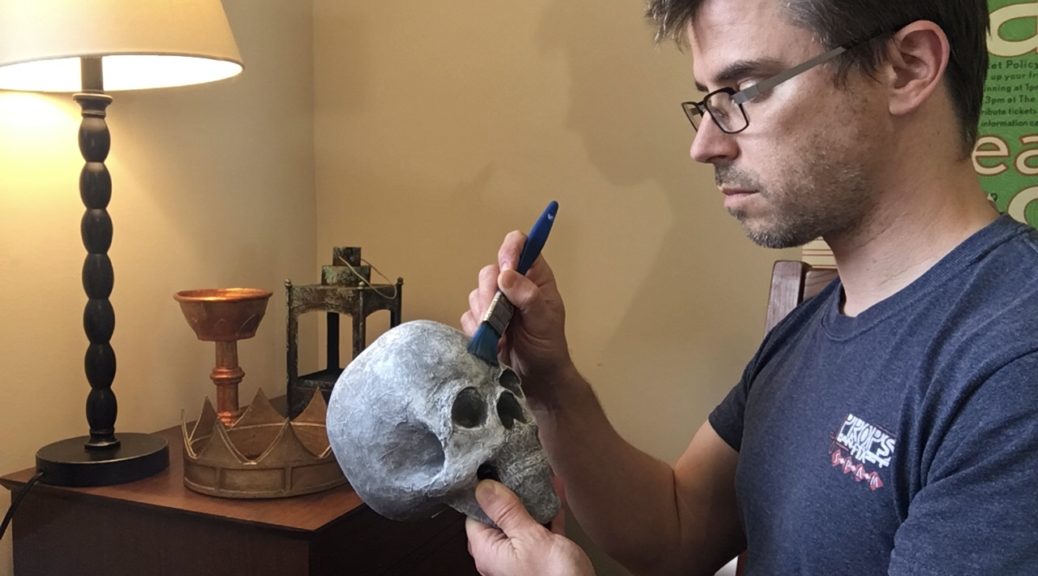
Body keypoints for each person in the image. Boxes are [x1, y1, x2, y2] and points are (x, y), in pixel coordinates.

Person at [461, 0, 1038, 574]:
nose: (704, 145)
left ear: (909, 67)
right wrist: (550, 382)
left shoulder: (1013, 367)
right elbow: (677, 529)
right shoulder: (808, 332)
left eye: (745, 90)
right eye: (708, 101)